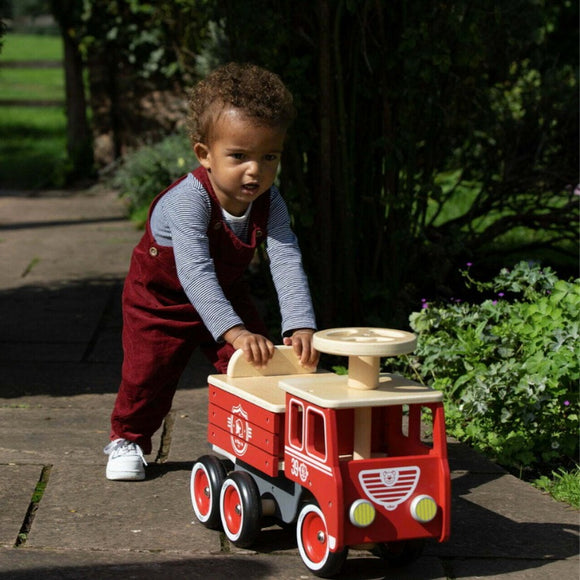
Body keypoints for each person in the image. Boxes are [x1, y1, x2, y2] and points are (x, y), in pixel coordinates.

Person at [104, 62, 319, 481]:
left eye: (268, 156)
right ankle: (126, 438)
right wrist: (234, 330)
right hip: (160, 300)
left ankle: (253, 440)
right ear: (204, 154)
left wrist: (300, 323)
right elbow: (195, 272)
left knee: (258, 363)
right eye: (238, 156)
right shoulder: (190, 201)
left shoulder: (270, 202)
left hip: (224, 292)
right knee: (147, 374)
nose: (254, 170)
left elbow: (286, 258)